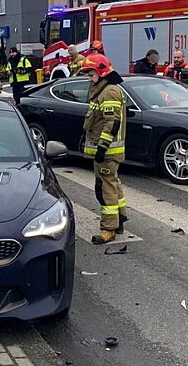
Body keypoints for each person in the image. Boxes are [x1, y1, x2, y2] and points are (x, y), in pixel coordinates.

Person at [79, 54, 129, 244]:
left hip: (108, 152)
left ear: (101, 72)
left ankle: (108, 228)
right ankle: (120, 218)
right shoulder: (103, 90)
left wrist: (102, 147)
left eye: (91, 74)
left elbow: (112, 123)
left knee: (105, 188)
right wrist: (84, 137)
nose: (89, 79)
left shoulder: (109, 92)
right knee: (113, 183)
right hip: (107, 150)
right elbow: (96, 120)